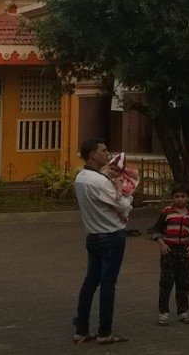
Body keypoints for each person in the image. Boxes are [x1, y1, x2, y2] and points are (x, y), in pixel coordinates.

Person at [72, 137, 133, 345]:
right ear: (92, 154)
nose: (107, 154)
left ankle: (81, 329)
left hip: (93, 235)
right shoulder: (98, 182)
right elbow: (123, 204)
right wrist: (128, 192)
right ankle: (104, 331)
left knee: (90, 281)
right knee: (107, 285)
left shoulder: (81, 178)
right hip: (111, 236)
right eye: (103, 150)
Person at [151, 183, 189, 326]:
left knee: (184, 281)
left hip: (183, 251)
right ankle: (163, 313)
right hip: (169, 250)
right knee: (166, 281)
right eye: (176, 196)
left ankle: (183, 311)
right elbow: (156, 230)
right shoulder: (166, 212)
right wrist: (162, 244)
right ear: (172, 198)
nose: (180, 199)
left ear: (188, 198)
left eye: (182, 196)